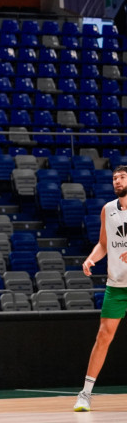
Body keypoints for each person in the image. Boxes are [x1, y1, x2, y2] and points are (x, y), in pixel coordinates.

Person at [74, 165, 127, 412]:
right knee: (103, 337)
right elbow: (103, 244)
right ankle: (85, 393)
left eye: (122, 177)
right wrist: (91, 258)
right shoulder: (107, 209)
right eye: (115, 178)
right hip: (116, 285)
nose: (117, 181)